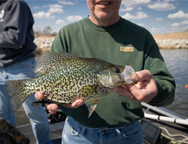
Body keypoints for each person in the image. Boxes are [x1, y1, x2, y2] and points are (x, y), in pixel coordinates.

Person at [35, 0, 176, 143]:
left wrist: (156, 90)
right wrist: (49, 99)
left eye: (116, 70)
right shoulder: (67, 34)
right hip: (76, 134)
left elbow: (168, 92)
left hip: (128, 136)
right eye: (116, 70)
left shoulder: (142, 36)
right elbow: (47, 78)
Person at [0, 0, 52, 143]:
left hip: (22, 67)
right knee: (2, 117)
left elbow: (14, 38)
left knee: (35, 113)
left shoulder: (16, 4)